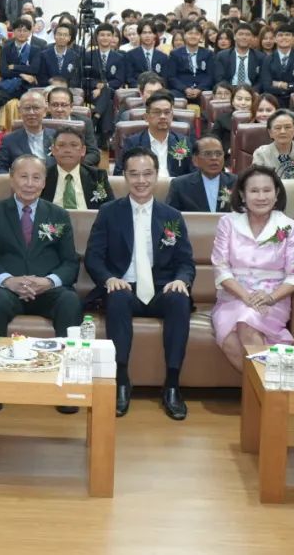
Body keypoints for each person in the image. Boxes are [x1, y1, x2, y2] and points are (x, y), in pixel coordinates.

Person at [84, 147, 194, 418]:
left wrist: (181, 280)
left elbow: (185, 261)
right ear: (124, 176)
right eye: (134, 174)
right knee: (117, 297)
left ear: (157, 176)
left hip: (161, 289)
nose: (141, 180)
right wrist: (109, 278)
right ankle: (121, 381)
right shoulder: (109, 212)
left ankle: (172, 385)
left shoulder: (172, 216)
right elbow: (94, 257)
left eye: (147, 174)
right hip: (124, 287)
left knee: (179, 299)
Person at [0, 154, 82, 412]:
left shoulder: (59, 214)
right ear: (12, 179)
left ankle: (66, 385)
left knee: (70, 301)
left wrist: (49, 281)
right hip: (6, 290)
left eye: (36, 177)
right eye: (23, 177)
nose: (29, 184)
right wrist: (7, 280)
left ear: (44, 182)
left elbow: (70, 262)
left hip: (48, 290)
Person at [210, 165, 294, 372]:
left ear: (276, 193)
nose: (261, 197)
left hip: (273, 298)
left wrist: (270, 297)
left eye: (267, 190)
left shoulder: (288, 227)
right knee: (228, 339)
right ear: (242, 195)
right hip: (233, 297)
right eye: (254, 191)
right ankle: (270, 386)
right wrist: (246, 297)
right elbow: (221, 269)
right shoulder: (228, 223)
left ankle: (266, 389)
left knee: (247, 322)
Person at [0, 19, 40, 144]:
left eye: (25, 30)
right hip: (9, 85)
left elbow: (34, 69)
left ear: (29, 32)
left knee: (34, 103)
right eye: (19, 30)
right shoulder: (6, 48)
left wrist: (14, 67)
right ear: (13, 31)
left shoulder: (35, 50)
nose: (21, 33)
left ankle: (31, 133)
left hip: (26, 87)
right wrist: (22, 73)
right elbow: (3, 71)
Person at [115, 91, 193, 177]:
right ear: (146, 117)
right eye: (157, 112)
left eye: (167, 112)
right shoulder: (133, 143)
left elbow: (193, 173)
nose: (163, 116)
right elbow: (119, 173)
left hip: (175, 184)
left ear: (172, 116)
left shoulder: (183, 142)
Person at [40, 126, 112, 210]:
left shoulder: (98, 177)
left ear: (83, 150)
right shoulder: (43, 176)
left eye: (73, 145)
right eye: (61, 145)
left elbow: (110, 209)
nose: (67, 150)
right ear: (53, 150)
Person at [166, 134, 236, 212]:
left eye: (218, 154)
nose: (214, 158)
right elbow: (170, 216)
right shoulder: (180, 185)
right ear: (195, 160)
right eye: (207, 154)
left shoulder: (236, 182)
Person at [0, 90, 54, 174]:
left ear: (45, 111)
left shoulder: (56, 137)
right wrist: (15, 178)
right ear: (20, 111)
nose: (31, 113)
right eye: (27, 108)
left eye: (36, 108)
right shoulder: (9, 140)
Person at [252, 109, 294, 179]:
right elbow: (257, 181)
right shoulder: (261, 154)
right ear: (270, 133)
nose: (283, 131)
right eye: (278, 128)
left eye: (288, 127)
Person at [45, 86, 100, 167]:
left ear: (71, 107)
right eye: (55, 105)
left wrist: (75, 166)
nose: (59, 109)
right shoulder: (42, 123)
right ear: (49, 106)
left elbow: (94, 154)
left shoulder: (84, 122)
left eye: (64, 105)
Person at [259, 22, 294, 107]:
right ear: (275, 39)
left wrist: (279, 84)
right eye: (280, 35)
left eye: (287, 35)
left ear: (293, 38)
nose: (284, 37)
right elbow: (266, 86)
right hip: (274, 101)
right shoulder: (267, 59)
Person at [167, 23, 215, 107]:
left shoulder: (208, 54)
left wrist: (199, 89)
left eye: (196, 34)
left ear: (201, 36)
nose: (193, 36)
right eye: (190, 33)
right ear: (185, 36)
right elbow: (171, 77)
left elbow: (210, 75)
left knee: (210, 96)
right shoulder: (175, 54)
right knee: (173, 96)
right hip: (181, 90)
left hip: (202, 89)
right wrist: (185, 89)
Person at [214, 22, 263, 89]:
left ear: (252, 37)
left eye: (247, 35)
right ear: (234, 36)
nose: (244, 37)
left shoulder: (260, 57)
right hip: (229, 90)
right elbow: (219, 79)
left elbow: (261, 81)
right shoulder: (222, 56)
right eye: (241, 34)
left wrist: (253, 92)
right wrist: (231, 91)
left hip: (251, 90)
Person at [35, 22, 82, 88]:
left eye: (65, 35)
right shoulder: (44, 55)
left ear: (69, 38)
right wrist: (53, 86)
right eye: (59, 34)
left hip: (68, 90)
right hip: (48, 89)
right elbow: (41, 77)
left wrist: (65, 87)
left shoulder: (75, 56)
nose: (62, 37)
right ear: (54, 36)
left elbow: (76, 79)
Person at [214, 84, 256, 155]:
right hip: (227, 156)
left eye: (247, 99)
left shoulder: (258, 119)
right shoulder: (221, 119)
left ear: (253, 102)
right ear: (232, 101)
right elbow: (214, 141)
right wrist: (227, 150)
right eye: (239, 99)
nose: (243, 103)